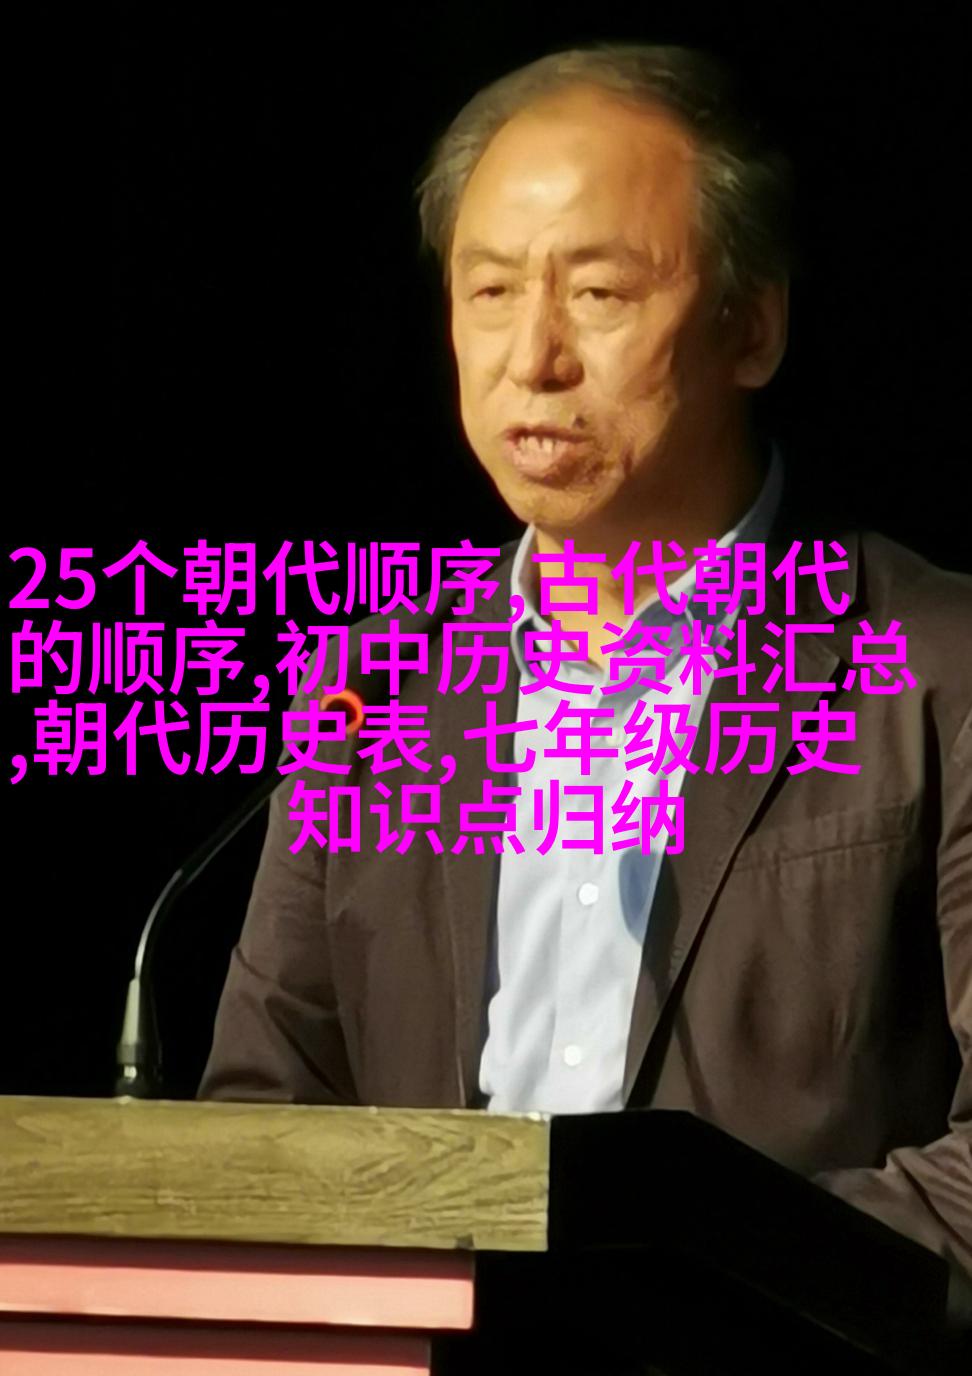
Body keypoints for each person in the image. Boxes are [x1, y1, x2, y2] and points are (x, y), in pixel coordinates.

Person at [198, 43, 972, 1310]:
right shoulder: (372, 687)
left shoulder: (938, 669)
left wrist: (661, 1281)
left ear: (753, 324)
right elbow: (264, 1117)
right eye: (490, 291)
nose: (533, 358)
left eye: (600, 293)